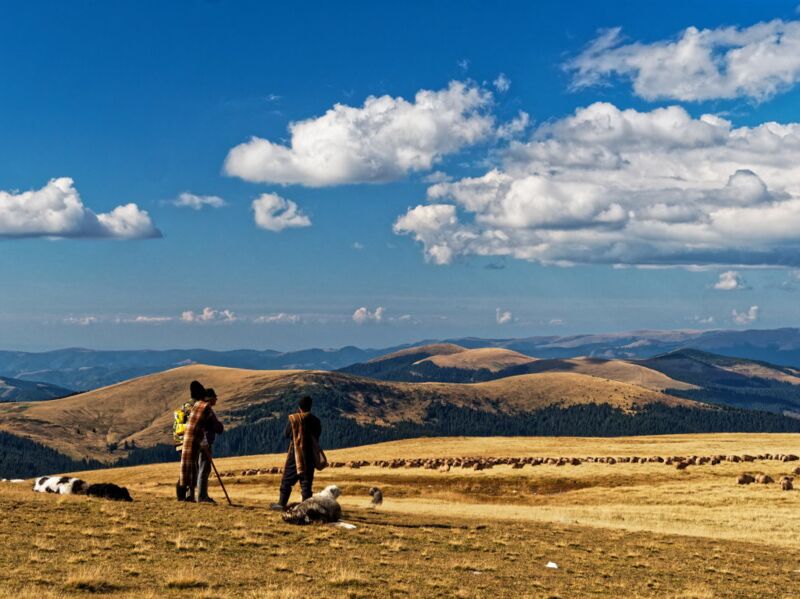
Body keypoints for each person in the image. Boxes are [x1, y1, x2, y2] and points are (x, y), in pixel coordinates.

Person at [270, 395, 322, 511]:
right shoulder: (316, 421)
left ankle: (281, 504)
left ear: (299, 407)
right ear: (310, 407)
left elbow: (286, 434)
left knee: (287, 481)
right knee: (306, 483)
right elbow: (317, 435)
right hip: (310, 456)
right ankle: (306, 507)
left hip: (295, 455)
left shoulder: (294, 419)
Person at [177, 380, 216, 502]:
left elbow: (177, 424)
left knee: (186, 468)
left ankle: (183, 495)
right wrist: (204, 441)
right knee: (197, 469)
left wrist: (178, 442)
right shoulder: (200, 406)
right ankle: (196, 496)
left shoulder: (183, 406)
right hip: (197, 440)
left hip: (183, 439)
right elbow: (205, 426)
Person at [196, 387, 224, 503]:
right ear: (209, 398)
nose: (216, 399)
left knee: (199, 469)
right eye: (214, 397)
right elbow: (217, 427)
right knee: (204, 469)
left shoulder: (198, 407)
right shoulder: (207, 410)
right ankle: (202, 496)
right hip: (205, 443)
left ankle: (197, 495)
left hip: (198, 442)